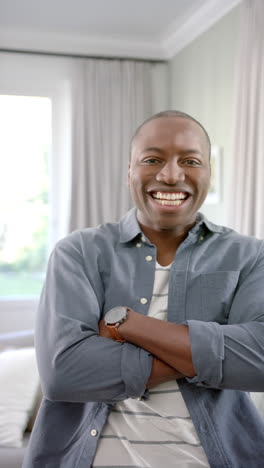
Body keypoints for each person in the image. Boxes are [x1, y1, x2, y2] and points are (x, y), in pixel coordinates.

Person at [23, 110, 264, 468]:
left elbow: (258, 365)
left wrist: (130, 325)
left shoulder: (250, 256)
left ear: (209, 174)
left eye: (190, 161)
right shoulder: (78, 252)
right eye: (152, 159)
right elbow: (64, 373)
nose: (170, 175)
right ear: (129, 173)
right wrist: (215, 351)